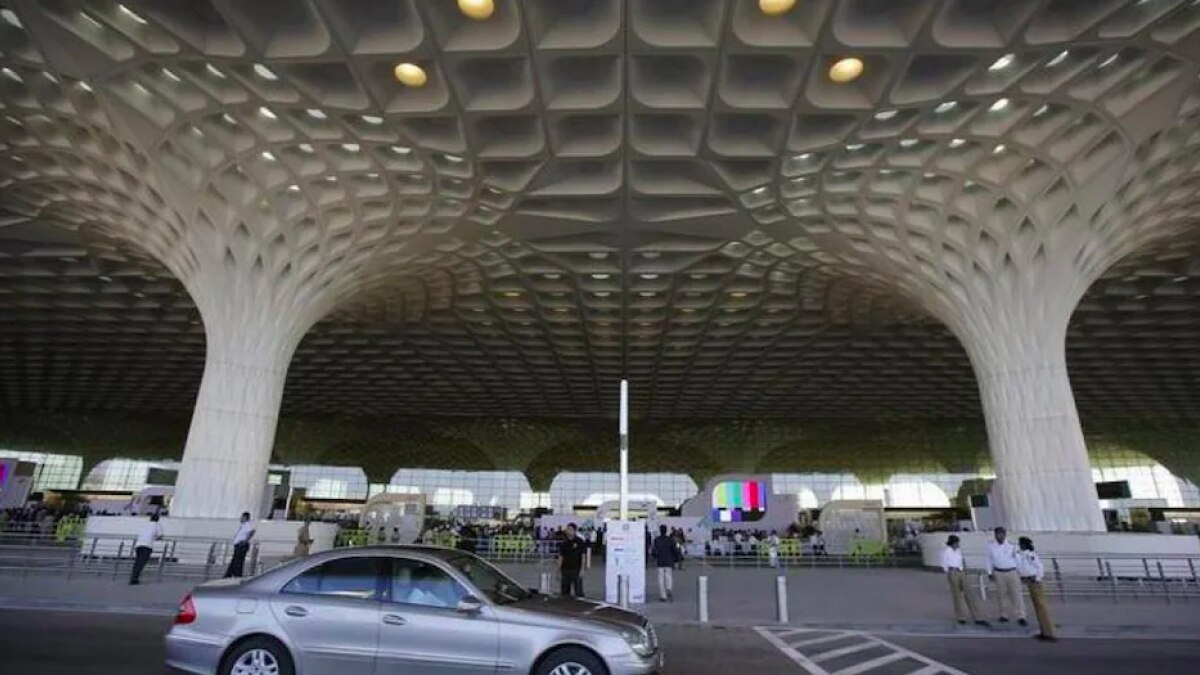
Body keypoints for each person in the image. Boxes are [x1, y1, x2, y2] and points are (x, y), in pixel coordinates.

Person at [941, 535, 988, 626]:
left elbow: (962, 561)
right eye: (956, 543)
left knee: (969, 594)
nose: (957, 544)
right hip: (953, 572)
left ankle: (977, 616)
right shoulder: (946, 551)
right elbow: (944, 564)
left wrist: (964, 570)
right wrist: (949, 573)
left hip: (961, 572)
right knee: (957, 596)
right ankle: (960, 617)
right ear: (952, 543)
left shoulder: (959, 551)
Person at [1016, 536, 1056, 641]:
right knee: (1037, 607)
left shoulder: (1031, 555)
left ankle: (1049, 632)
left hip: (1034, 581)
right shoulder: (1022, 555)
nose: (1019, 546)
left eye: (1021, 544)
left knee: (1041, 607)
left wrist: (1037, 578)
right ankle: (1044, 631)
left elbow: (1040, 567)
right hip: (1028, 581)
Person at [986, 527, 1026, 625]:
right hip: (999, 572)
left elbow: (1018, 559)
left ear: (1005, 534)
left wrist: (1022, 573)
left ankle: (1021, 616)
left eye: (1001, 534)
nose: (999, 536)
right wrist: (989, 572)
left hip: (1012, 572)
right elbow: (988, 559)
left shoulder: (1012, 545)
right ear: (995, 535)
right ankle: (1004, 615)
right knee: (1001, 595)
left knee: (1016, 595)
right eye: (997, 534)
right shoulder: (991, 546)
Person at [129, 512, 163, 585]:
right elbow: (160, 536)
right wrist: (156, 538)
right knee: (141, 563)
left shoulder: (145, 524)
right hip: (147, 545)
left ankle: (133, 577)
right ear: (158, 519)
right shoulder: (157, 525)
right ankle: (134, 579)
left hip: (139, 545)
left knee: (137, 562)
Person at [557, 523, 586, 598]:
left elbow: (583, 556)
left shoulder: (580, 541)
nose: (568, 531)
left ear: (574, 531)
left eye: (570, 529)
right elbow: (561, 557)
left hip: (576, 570)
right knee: (564, 592)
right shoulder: (564, 543)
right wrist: (558, 569)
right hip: (565, 570)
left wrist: (582, 569)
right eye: (567, 529)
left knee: (578, 591)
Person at [224, 512, 255, 578]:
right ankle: (231, 575)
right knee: (235, 561)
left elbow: (252, 531)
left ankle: (233, 575)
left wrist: (245, 540)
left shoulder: (247, 525)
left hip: (241, 546)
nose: (240, 518)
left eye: (242, 517)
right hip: (239, 545)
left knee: (237, 561)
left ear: (245, 517)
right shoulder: (243, 525)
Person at [651, 525, 678, 601]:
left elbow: (654, 551)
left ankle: (663, 596)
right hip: (669, 560)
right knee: (668, 576)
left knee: (660, 578)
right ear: (666, 531)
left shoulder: (657, 540)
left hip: (660, 561)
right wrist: (676, 559)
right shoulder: (670, 539)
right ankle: (669, 588)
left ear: (660, 530)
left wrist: (655, 556)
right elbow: (674, 550)